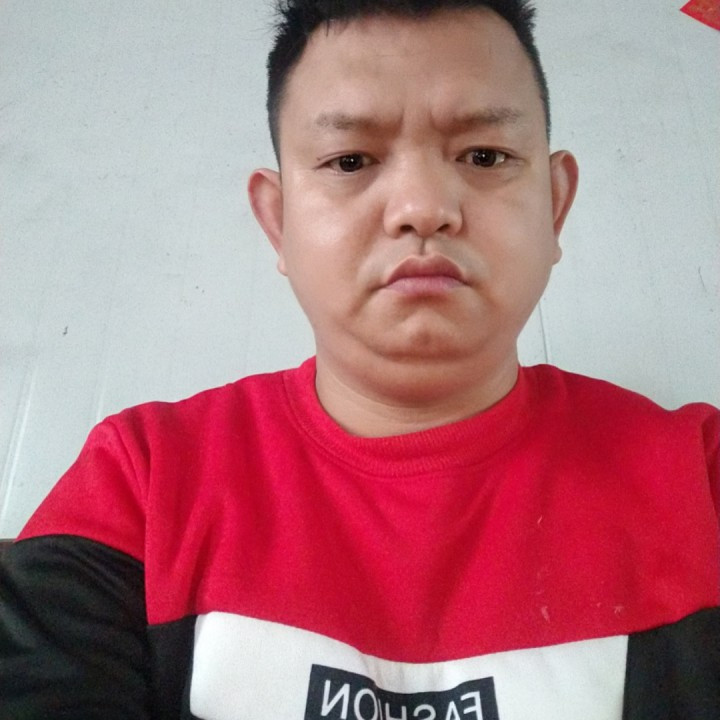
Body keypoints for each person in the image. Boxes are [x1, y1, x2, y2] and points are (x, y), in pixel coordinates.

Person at [1, 0, 718, 717]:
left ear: (555, 206)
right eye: (350, 161)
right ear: (277, 221)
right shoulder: (142, 479)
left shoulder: (700, 477)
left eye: (484, 156)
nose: (423, 208)